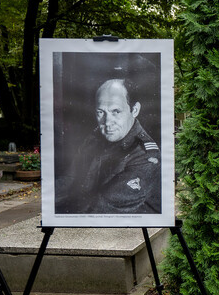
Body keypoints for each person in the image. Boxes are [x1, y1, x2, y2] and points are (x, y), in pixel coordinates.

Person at [59, 78, 161, 214]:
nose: (107, 122)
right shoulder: (94, 140)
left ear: (134, 110)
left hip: (128, 231)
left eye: (116, 112)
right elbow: (69, 180)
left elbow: (101, 207)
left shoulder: (146, 156)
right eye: (100, 112)